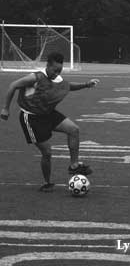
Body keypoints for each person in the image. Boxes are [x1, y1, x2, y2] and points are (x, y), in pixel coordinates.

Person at [1, 51, 100, 192]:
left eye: (59, 71)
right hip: (31, 118)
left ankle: (74, 165)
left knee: (74, 130)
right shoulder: (35, 77)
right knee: (47, 153)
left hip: (47, 114)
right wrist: (5, 108)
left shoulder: (57, 78)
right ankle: (47, 183)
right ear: (47, 65)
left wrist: (86, 84)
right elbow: (13, 85)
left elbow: (68, 86)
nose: (57, 73)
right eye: (55, 70)